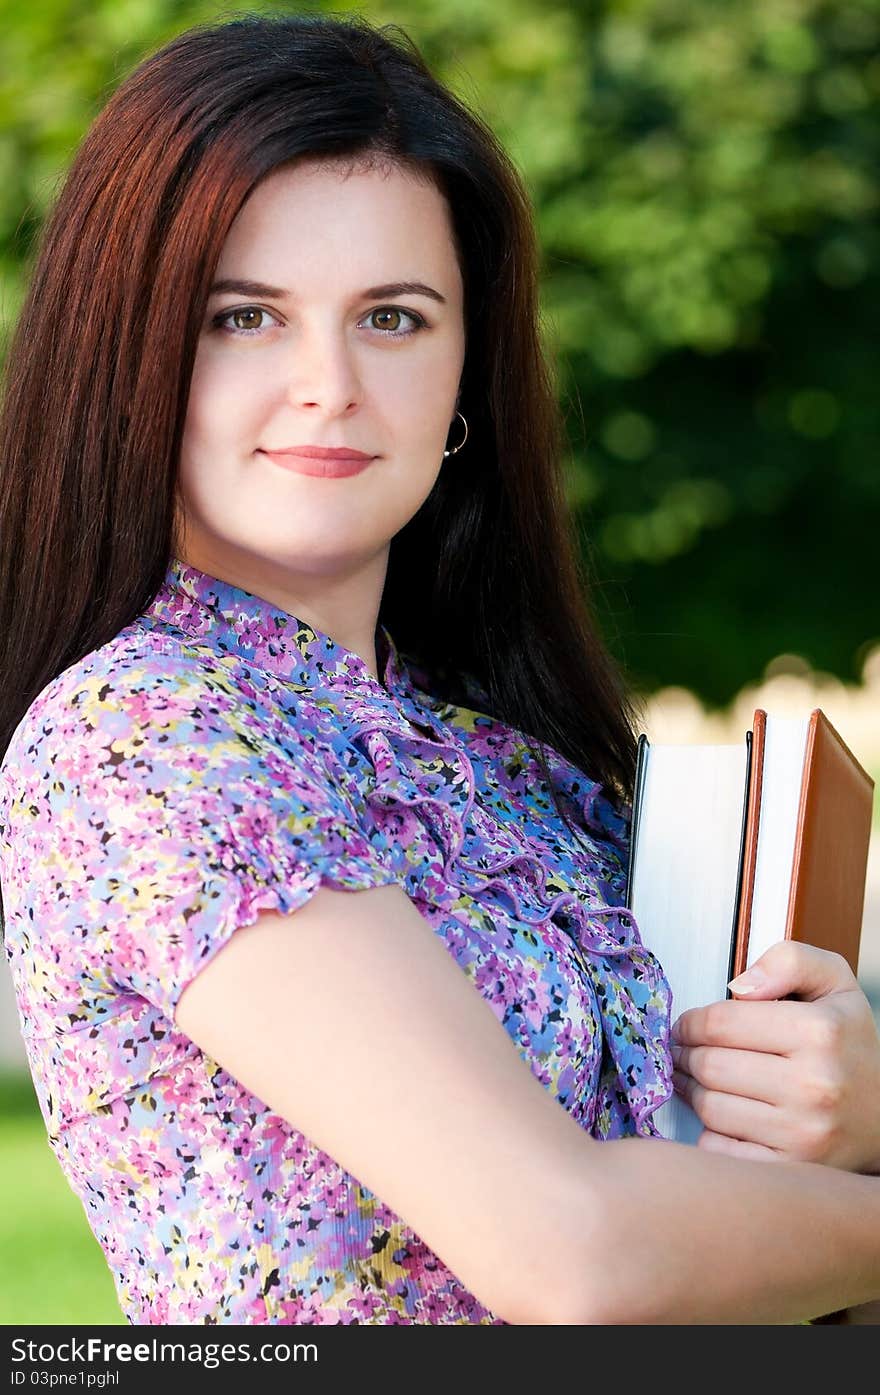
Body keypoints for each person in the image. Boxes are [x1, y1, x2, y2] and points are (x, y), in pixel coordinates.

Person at [0, 12, 877, 1327]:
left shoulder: (516, 767)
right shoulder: (146, 733)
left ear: (468, 366)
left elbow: (712, 1233)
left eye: (394, 318)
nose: (328, 385)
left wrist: (836, 1109)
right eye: (244, 317)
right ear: (137, 354)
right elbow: (577, 1254)